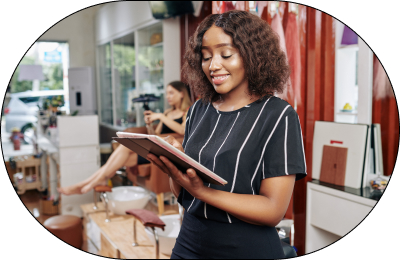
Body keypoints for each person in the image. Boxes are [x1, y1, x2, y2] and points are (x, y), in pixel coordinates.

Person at [146, 10, 307, 259]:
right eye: (206, 56)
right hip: (189, 242)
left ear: (253, 55)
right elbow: (183, 195)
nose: (213, 65)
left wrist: (203, 192)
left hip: (244, 248)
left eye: (226, 54)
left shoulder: (278, 115)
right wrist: (175, 165)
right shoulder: (198, 109)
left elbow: (273, 209)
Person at [58, 81, 192, 195]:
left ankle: (86, 184)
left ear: (181, 94)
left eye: (171, 93)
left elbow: (182, 130)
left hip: (164, 153)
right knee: (123, 156)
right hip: (154, 149)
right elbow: (155, 135)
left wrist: (161, 117)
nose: (168, 96)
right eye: (167, 93)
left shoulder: (188, 112)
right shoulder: (168, 112)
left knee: (124, 148)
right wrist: (149, 124)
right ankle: (90, 182)